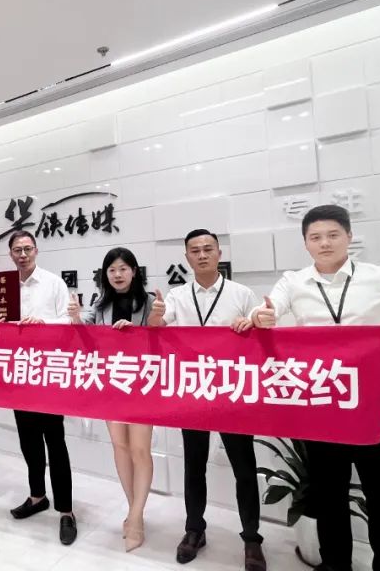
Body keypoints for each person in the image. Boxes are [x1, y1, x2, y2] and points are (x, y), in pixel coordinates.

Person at [251, 205, 380, 571]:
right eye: (315, 237)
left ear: (349, 237)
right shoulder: (294, 282)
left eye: (333, 235)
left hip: (374, 403)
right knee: (328, 496)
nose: (324, 243)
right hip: (321, 402)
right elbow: (267, 311)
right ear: (305, 243)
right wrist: (261, 317)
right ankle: (336, 566)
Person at [148, 229, 266, 570]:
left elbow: (261, 335)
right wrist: (156, 315)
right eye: (195, 250)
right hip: (194, 391)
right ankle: (194, 530)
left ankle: (252, 539)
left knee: (244, 469)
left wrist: (253, 323)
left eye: (208, 249)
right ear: (187, 257)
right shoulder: (177, 295)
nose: (202, 255)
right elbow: (156, 329)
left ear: (218, 253)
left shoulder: (241, 294)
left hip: (232, 391)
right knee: (194, 465)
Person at [67, 247, 154, 552]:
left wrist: (138, 332)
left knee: (140, 450)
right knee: (120, 446)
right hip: (111, 384)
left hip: (142, 385)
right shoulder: (100, 304)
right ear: (105, 275)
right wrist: (75, 317)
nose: (117, 275)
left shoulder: (149, 303)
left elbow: (161, 339)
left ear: (134, 271)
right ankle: (133, 509)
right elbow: (85, 333)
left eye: (123, 269)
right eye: (112, 270)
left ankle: (137, 518)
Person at [0, 231, 78, 545]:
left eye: (27, 248)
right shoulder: (2, 287)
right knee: (28, 440)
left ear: (36, 250)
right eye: (17, 250)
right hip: (18, 373)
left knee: (55, 442)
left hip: (48, 372)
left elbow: (69, 323)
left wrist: (41, 323)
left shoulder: (53, 283)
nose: (23, 254)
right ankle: (37, 496)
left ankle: (66, 510)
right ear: (10, 254)